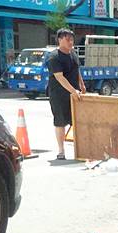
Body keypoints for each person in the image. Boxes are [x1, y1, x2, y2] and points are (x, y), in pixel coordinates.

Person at [46, 28, 85, 160]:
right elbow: (59, 77)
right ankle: (61, 150)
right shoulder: (54, 57)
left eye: (72, 39)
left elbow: (77, 70)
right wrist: (73, 91)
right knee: (60, 122)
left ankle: (80, 149)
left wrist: (82, 85)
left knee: (78, 122)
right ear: (59, 39)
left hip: (74, 94)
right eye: (67, 39)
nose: (70, 42)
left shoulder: (73, 54)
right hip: (59, 95)